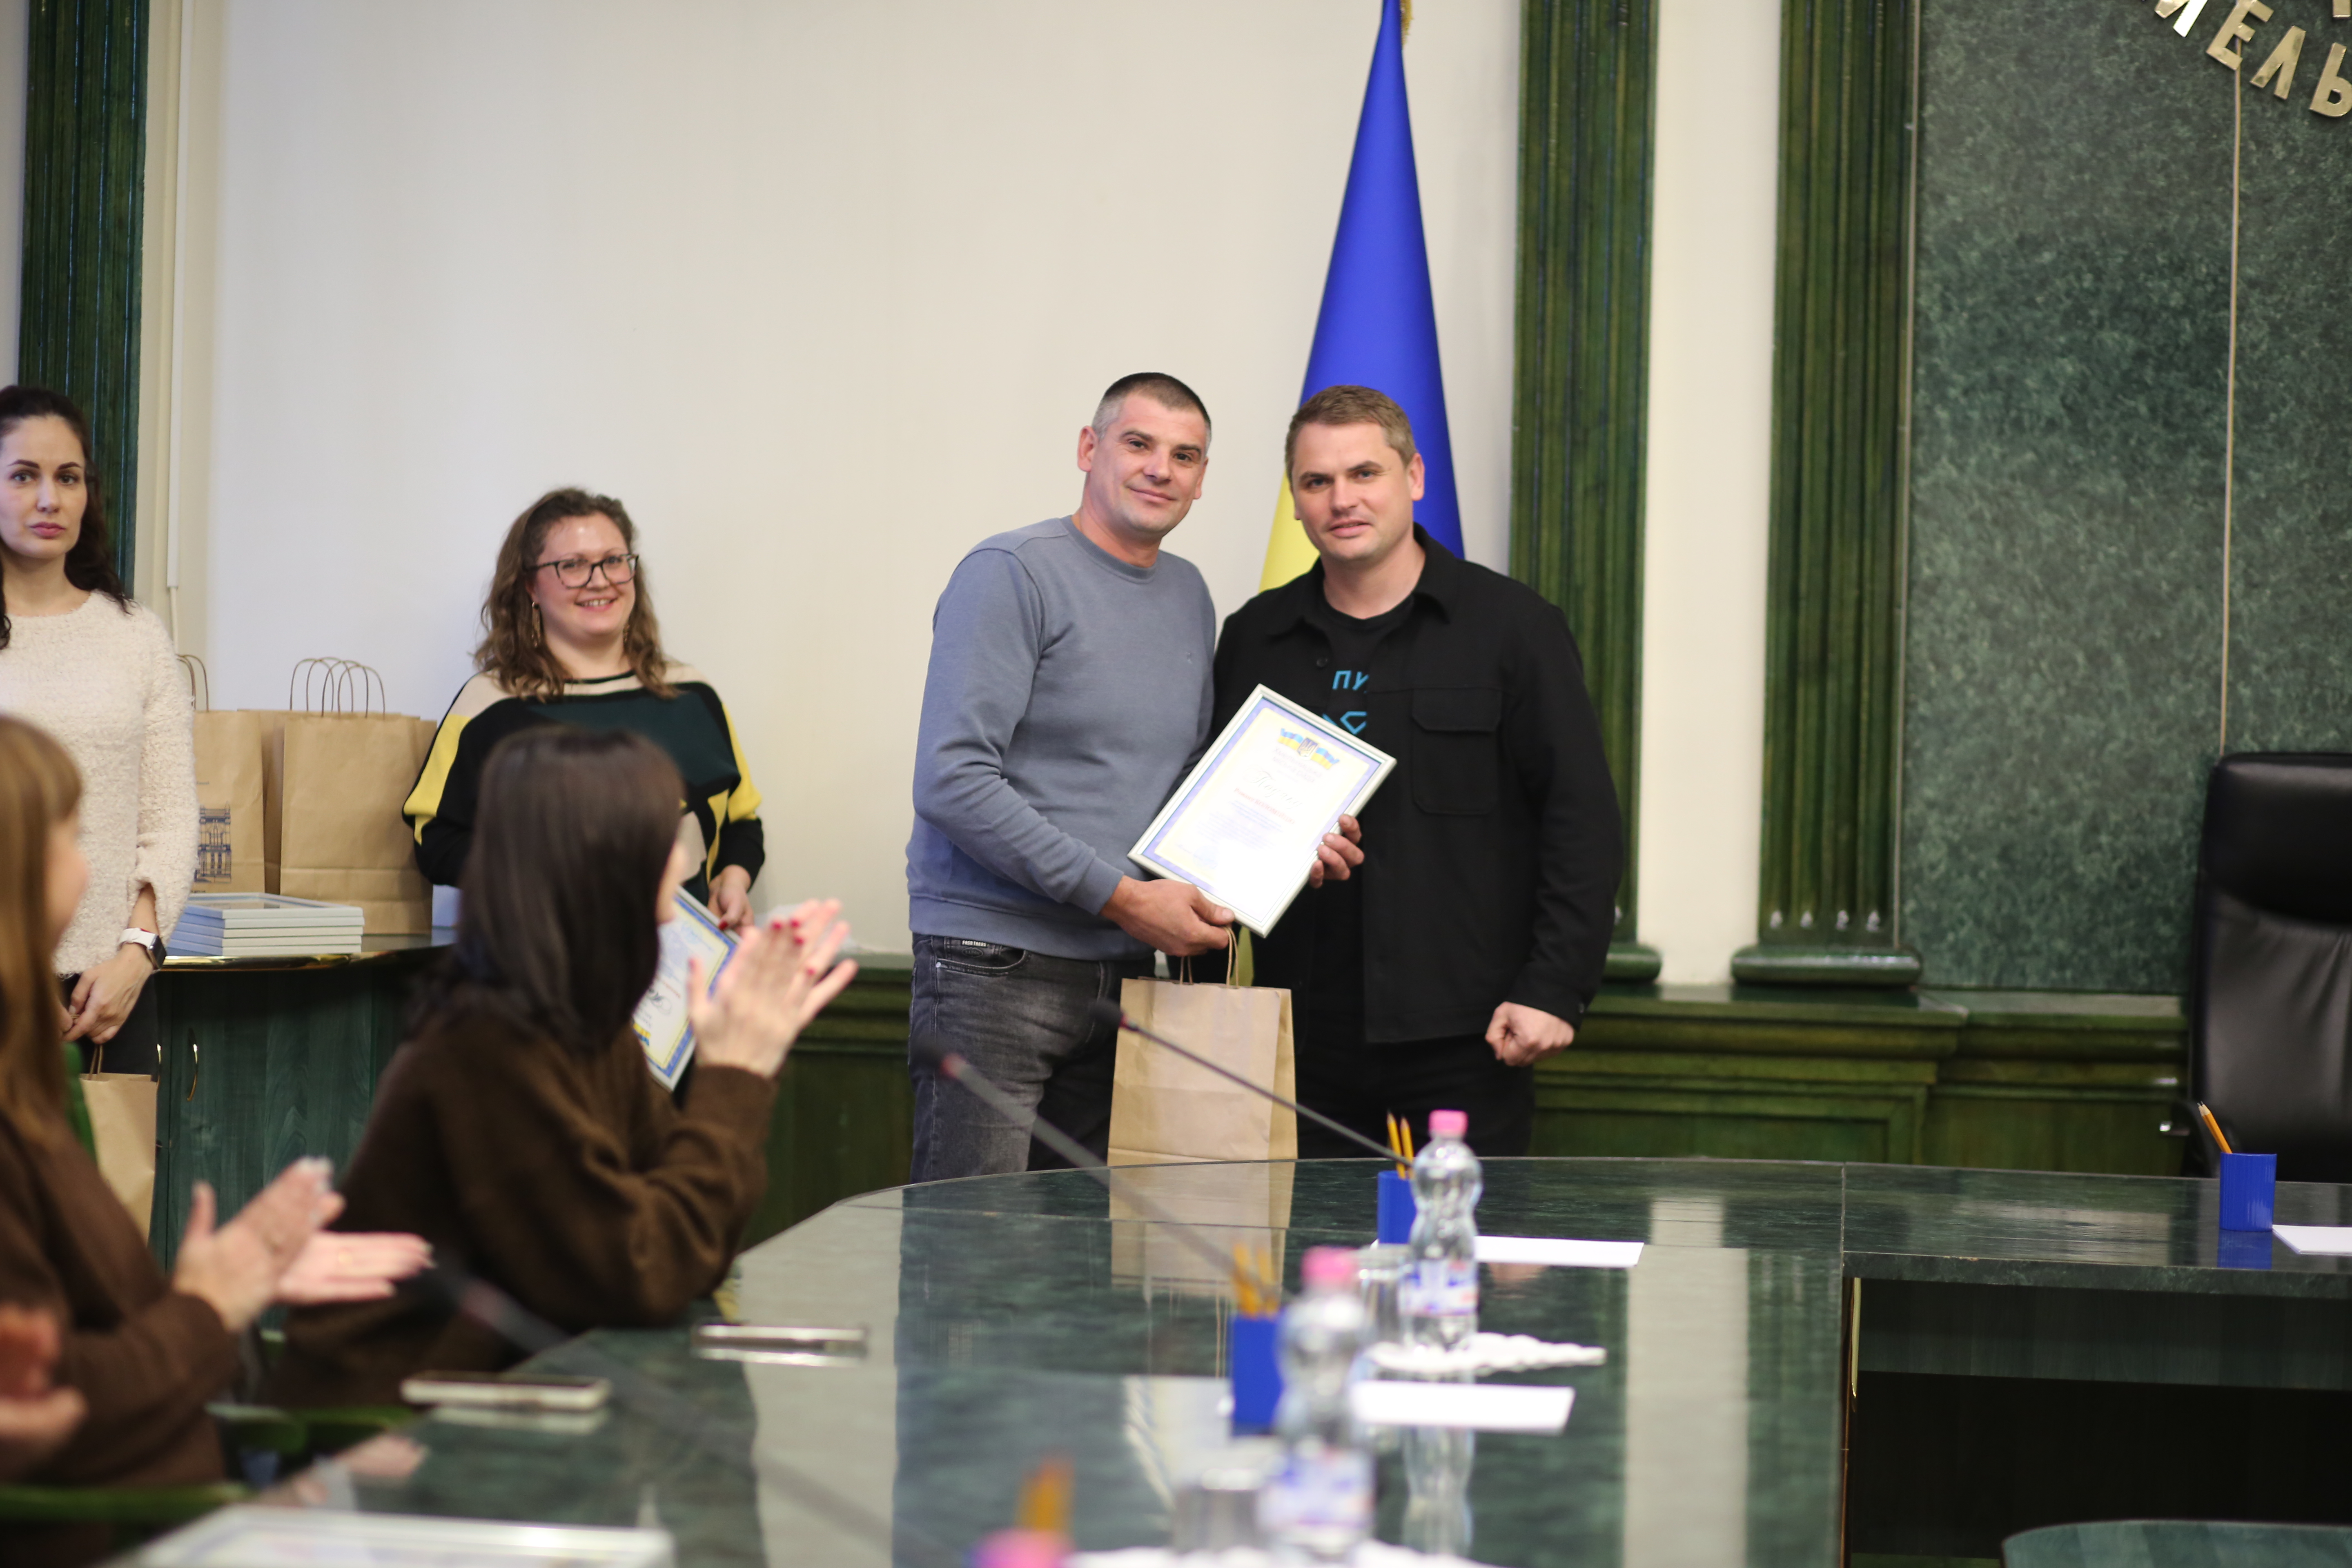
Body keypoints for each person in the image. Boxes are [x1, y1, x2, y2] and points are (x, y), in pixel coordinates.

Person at [267, 726, 857, 1408]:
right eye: (663, 836)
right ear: (600, 859)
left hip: (511, 1403)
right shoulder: (488, 1047)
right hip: (389, 1433)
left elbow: (689, 1247)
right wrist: (733, 1078)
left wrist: (740, 1067)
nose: (681, 859)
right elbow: (643, 1273)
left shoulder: (585, 1029)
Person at [904, 371, 1359, 1181]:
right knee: (974, 1241)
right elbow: (952, 780)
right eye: (1139, 443)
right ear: (1090, 448)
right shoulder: (1011, 571)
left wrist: (1287, 844)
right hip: (994, 967)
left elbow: (1181, 781)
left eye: (1185, 456)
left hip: (1122, 974)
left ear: (1203, 478)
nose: (1160, 469)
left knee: (1081, 1245)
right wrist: (1122, 898)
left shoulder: (1187, 594)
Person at [0, 715, 427, 1563]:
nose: (91, 869)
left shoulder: (30, 1073)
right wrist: (208, 1308)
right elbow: (58, 1401)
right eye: (72, 840)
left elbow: (101, 1337)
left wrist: (223, 1289)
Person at [1211, 385, 1621, 1158]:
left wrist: (1555, 987)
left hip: (1469, 1036)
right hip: (1299, 1039)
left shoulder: (1514, 629)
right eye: (1317, 481)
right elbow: (1218, 819)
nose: (1342, 500)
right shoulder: (1255, 638)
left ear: (1415, 477)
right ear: (1295, 501)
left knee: (1459, 1243)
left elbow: (1582, 822)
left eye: (1365, 473)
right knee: (1311, 1244)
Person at [403, 488, 766, 929]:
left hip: (685, 962)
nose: (600, 580)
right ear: (530, 586)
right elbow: (435, 841)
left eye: (614, 560)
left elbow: (741, 822)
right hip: (545, 963)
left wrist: (733, 879)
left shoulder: (692, 693)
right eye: (572, 565)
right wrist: (544, 875)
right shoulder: (491, 705)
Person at [0, 386, 195, 1062]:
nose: (49, 499)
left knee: (111, 1141)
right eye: (23, 476)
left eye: (68, 477)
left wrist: (137, 955)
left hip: (109, 997)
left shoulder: (135, 636)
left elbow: (170, 820)